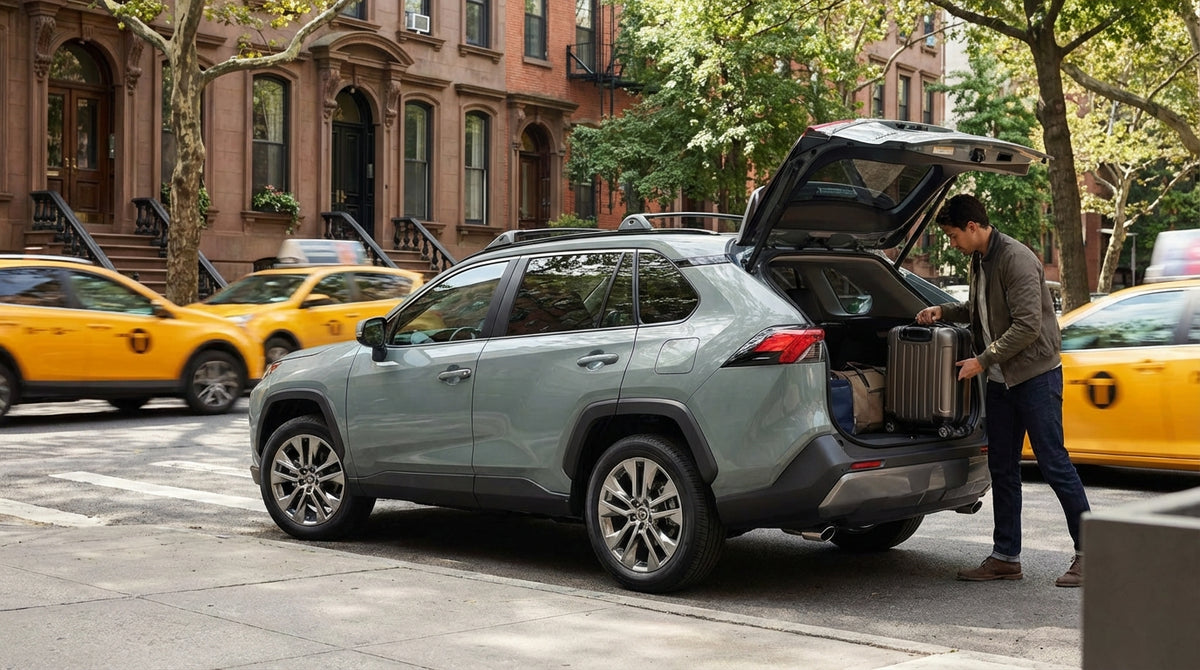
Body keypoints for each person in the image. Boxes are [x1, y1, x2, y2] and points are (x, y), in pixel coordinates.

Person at [916, 193, 1090, 588]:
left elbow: (1027, 325)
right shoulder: (979, 259)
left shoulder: (1016, 258)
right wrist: (945, 311)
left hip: (1035, 377)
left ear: (972, 227)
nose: (952, 243)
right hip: (1001, 381)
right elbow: (983, 310)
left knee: (1054, 463)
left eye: (953, 235)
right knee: (1003, 468)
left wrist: (982, 360)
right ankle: (1006, 557)